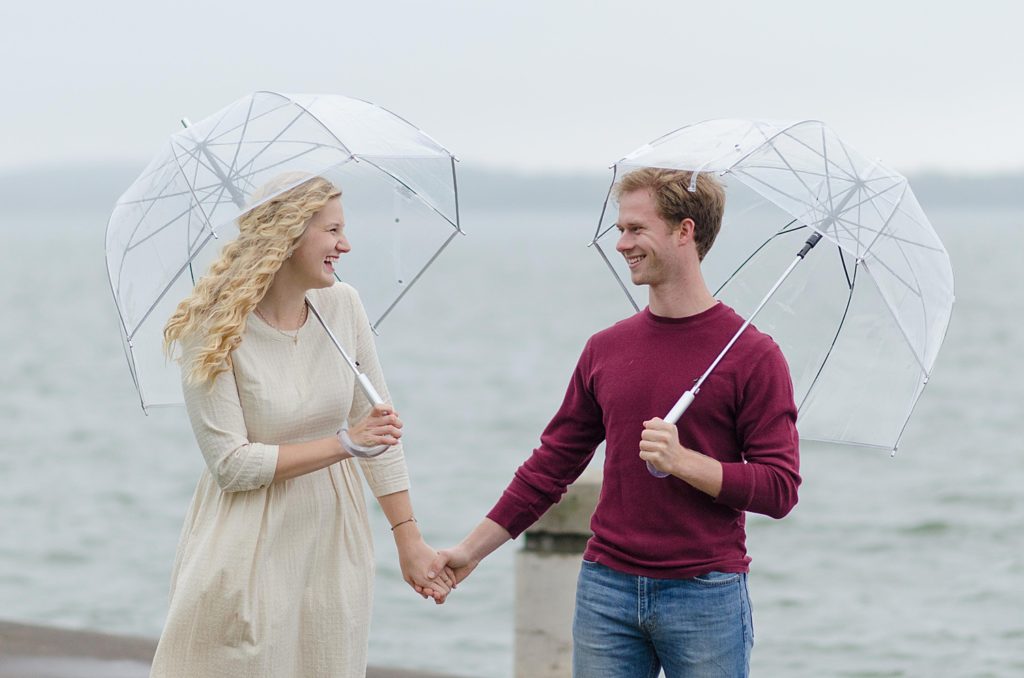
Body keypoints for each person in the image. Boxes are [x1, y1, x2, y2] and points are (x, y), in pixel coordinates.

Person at [428, 168, 801, 677]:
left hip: (706, 595)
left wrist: (686, 462)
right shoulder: (606, 348)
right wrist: (470, 552)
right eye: (620, 229)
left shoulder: (754, 355)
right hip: (606, 588)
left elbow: (779, 489)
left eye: (635, 228)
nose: (621, 242)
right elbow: (549, 467)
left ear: (684, 231)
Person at [151, 175, 452, 677]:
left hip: (333, 536)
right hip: (246, 538)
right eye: (333, 230)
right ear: (289, 235)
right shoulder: (213, 326)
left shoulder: (342, 305)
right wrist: (345, 444)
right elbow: (231, 465)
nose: (346, 245)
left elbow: (376, 432)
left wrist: (409, 541)